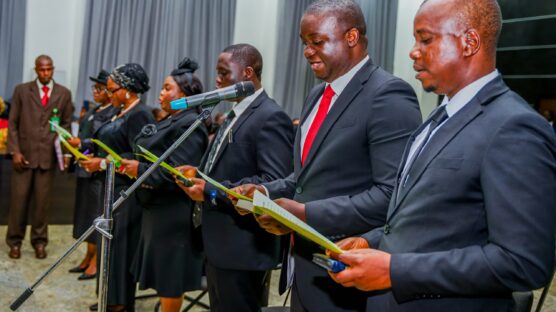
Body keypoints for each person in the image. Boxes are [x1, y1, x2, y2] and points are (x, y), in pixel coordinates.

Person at [328, 0, 556, 311]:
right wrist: (372, 242)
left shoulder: (514, 127)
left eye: (426, 39)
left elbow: (523, 261)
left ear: (469, 42)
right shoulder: (437, 118)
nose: (413, 51)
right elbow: (430, 222)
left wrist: (395, 270)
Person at [232, 1, 422, 311]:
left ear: (351, 37)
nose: (307, 51)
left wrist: (304, 215)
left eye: (317, 41)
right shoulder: (316, 94)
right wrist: (266, 192)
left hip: (348, 271)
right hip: (304, 267)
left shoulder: (388, 94)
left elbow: (392, 195)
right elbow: (306, 179)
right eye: (304, 43)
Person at [176, 44, 294, 312]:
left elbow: (272, 182)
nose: (217, 80)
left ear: (247, 72)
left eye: (223, 73)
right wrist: (198, 174)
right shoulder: (233, 113)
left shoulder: (270, 116)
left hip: (243, 246)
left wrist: (209, 190)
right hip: (219, 242)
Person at [119, 58, 208, 312]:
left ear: (185, 93)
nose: (161, 93)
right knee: (163, 277)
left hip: (173, 214)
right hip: (156, 211)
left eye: (167, 88)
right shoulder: (172, 119)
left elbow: (180, 172)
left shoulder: (191, 123)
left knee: (170, 280)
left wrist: (141, 170)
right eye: (162, 88)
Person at [80, 63, 154, 312]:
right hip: (110, 189)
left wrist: (101, 162)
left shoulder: (140, 114)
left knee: (120, 251)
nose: (108, 95)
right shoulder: (120, 111)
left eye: (112, 90)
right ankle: (108, 299)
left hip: (126, 195)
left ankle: (119, 303)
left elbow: (137, 158)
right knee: (108, 249)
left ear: (128, 89)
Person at [6, 55, 73, 259]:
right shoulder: (22, 90)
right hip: (24, 157)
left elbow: (66, 125)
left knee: (42, 204)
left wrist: (67, 152)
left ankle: (39, 242)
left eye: (49, 69)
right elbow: (13, 123)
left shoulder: (63, 93)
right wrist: (15, 151)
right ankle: (15, 242)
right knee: (19, 202)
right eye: (42, 70)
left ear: (52, 69)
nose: (46, 73)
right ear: (36, 70)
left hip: (47, 158)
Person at [67, 70, 119, 280]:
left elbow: (106, 142)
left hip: (100, 173)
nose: (95, 92)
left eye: (100, 89)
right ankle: (88, 256)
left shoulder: (114, 112)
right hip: (85, 168)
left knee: (96, 217)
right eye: (94, 88)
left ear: (109, 91)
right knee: (84, 217)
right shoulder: (95, 109)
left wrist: (85, 146)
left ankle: (97, 261)